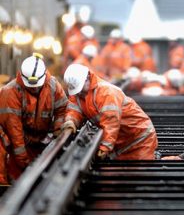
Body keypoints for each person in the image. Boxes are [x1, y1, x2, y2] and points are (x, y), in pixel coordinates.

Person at [62, 63, 158, 160]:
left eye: (80, 88)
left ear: (87, 78)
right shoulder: (79, 94)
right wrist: (70, 121)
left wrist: (105, 146)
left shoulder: (106, 93)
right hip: (121, 140)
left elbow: (111, 122)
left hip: (140, 137)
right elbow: (74, 109)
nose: (79, 92)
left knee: (141, 171)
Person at [0, 53, 68, 184]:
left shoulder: (53, 86)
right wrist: (24, 162)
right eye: (31, 86)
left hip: (42, 140)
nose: (35, 88)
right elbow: (15, 132)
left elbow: (62, 109)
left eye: (37, 85)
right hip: (16, 143)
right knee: (18, 178)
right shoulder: (10, 92)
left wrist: (56, 132)